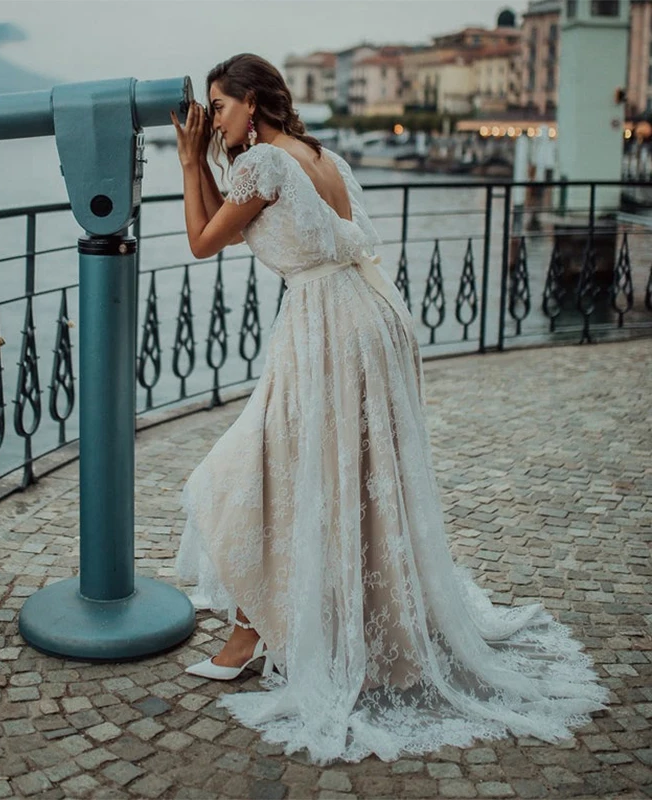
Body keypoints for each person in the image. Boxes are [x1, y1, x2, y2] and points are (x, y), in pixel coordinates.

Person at [169, 53, 608, 765]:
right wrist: (215, 157)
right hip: (363, 321)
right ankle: (263, 622)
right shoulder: (319, 155)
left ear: (254, 105)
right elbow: (341, 236)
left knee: (253, 470)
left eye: (220, 105)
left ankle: (260, 630)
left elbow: (199, 240)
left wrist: (190, 162)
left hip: (326, 331)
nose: (212, 119)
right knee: (308, 473)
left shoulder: (261, 168)